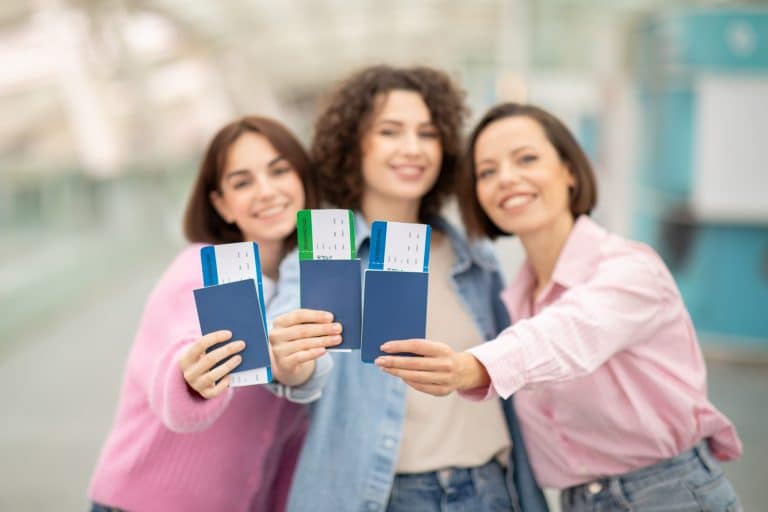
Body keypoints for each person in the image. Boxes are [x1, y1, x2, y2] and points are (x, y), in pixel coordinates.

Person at [376, 102, 744, 511]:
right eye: (487, 171)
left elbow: (568, 334)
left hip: (668, 494)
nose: (507, 179)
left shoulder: (629, 269)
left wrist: (468, 368)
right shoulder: (513, 296)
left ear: (570, 170)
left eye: (527, 159)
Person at [267, 66, 548, 512]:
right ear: (352, 144)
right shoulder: (325, 253)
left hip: (494, 487)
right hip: (388, 497)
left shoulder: (472, 256)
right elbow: (298, 365)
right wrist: (288, 360)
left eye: (428, 133)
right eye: (390, 131)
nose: (412, 148)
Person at [88, 115, 320, 512]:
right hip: (142, 503)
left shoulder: (310, 281)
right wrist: (192, 377)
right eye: (242, 182)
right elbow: (175, 363)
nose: (266, 191)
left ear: (303, 180)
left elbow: (291, 431)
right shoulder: (197, 270)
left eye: (280, 171)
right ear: (221, 205)